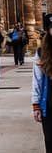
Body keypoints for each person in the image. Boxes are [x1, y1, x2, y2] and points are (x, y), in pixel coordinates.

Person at [32, 19, 52, 151]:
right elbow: (37, 80)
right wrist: (36, 105)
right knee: (50, 141)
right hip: (49, 104)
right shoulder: (41, 52)